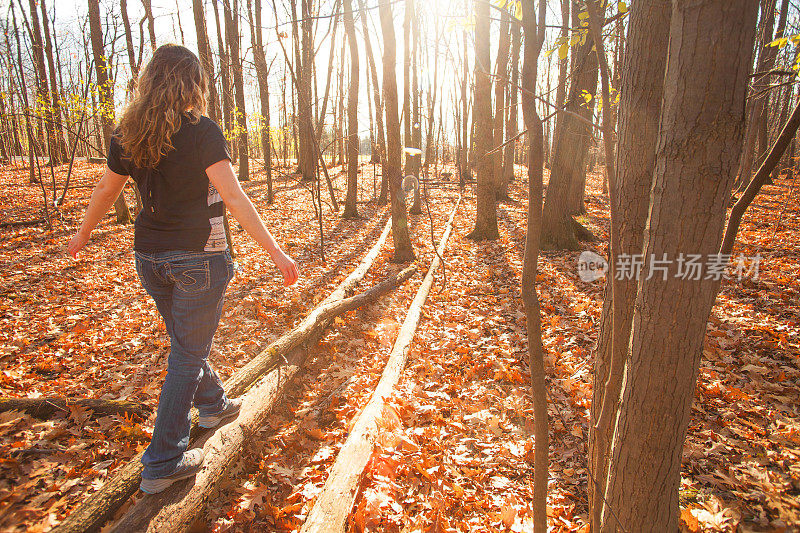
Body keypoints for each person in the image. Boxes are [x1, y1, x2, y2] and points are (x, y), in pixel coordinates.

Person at [67, 44, 299, 494]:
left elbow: (105, 191)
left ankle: (212, 405)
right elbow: (233, 198)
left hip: (149, 259)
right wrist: (276, 252)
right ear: (192, 84)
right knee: (186, 355)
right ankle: (163, 461)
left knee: (184, 346)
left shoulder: (128, 133)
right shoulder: (201, 132)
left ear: (150, 80)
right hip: (199, 259)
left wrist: (83, 233)